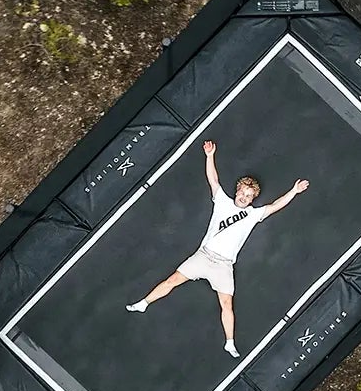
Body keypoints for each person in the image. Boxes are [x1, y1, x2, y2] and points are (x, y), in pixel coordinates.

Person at [125, 140, 307, 357]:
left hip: (224, 265)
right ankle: (144, 303)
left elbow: (275, 206)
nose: (244, 197)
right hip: (203, 256)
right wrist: (210, 156)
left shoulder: (253, 215)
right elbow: (213, 179)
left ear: (253, 199)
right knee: (172, 280)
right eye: (243, 192)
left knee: (227, 304)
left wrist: (293, 192)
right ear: (237, 190)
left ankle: (229, 342)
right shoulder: (222, 202)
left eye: (249, 196)